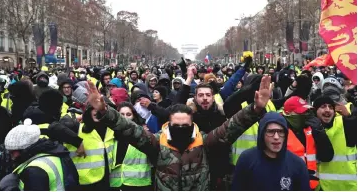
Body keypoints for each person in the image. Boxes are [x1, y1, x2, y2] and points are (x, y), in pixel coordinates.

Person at [83, 75, 272, 190]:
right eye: (176, 125)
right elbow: (129, 130)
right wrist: (104, 111)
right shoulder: (157, 143)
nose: (181, 129)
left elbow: (231, 127)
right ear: (168, 125)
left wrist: (255, 109)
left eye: (185, 125)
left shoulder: (204, 142)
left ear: (193, 124)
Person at [232, 112, 310, 191]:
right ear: (262, 133)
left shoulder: (298, 164)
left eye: (280, 131)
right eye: (271, 131)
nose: (276, 137)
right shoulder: (246, 159)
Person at [0, 119, 79, 191]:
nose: (11, 156)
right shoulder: (52, 152)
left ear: (25, 148)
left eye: (12, 152)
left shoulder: (35, 170)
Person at [313, 96, 357, 191]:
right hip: (323, 187)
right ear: (315, 111)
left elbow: (354, 127)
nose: (328, 110)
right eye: (323, 106)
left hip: (349, 187)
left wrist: (349, 117)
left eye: (331, 107)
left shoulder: (344, 124)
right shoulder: (311, 129)